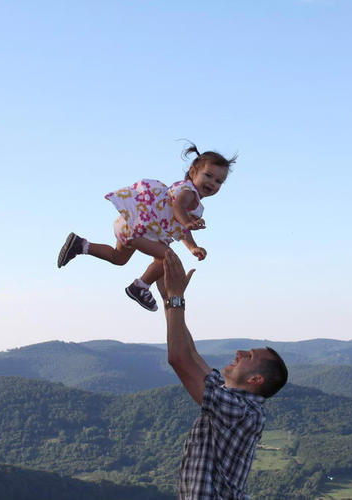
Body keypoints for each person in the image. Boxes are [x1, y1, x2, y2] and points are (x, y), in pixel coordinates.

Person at [160, 249, 288, 500]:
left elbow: (178, 359)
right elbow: (191, 353)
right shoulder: (230, 395)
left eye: (248, 356)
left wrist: (176, 297)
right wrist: (169, 295)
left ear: (255, 380)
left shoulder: (239, 411)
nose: (239, 352)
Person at [56, 142, 236, 312]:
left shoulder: (191, 199)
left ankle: (80, 245)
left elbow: (182, 230)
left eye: (219, 181)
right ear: (192, 172)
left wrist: (192, 246)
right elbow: (178, 207)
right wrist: (187, 222)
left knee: (118, 258)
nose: (212, 183)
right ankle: (140, 287)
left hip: (131, 224)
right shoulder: (188, 193)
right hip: (142, 228)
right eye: (208, 176)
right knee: (167, 258)